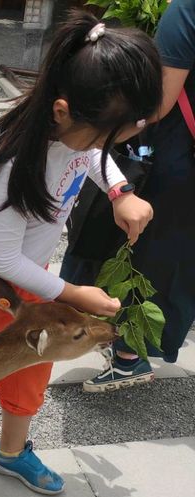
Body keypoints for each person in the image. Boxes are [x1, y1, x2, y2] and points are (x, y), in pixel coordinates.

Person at [0, 11, 162, 497]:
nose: (111, 147)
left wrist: (121, 192)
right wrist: (74, 294)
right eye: (109, 135)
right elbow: (1, 258)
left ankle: (11, 454)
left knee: (32, 366)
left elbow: (96, 158)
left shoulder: (81, 133)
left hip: (34, 273)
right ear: (63, 111)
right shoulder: (14, 162)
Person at [63, 0, 195, 392]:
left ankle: (127, 355)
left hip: (172, 157)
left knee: (139, 253)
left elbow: (156, 106)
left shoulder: (186, 11)